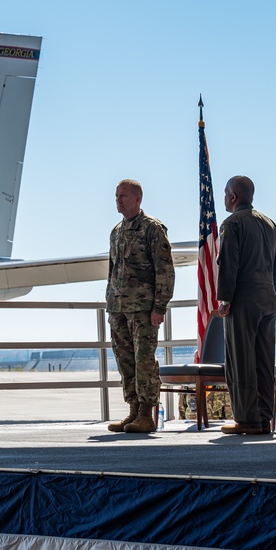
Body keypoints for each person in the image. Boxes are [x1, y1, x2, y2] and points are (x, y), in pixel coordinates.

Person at [105, 179, 176, 433]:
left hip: (144, 308)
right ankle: (133, 411)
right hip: (118, 308)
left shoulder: (152, 229)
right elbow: (113, 272)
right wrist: (110, 304)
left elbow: (165, 271)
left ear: (138, 199)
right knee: (125, 361)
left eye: (123, 195)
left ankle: (147, 414)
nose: (118, 200)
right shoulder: (116, 231)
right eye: (116, 195)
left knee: (144, 360)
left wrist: (160, 306)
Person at [216, 176, 276, 434]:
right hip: (267, 295)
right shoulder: (270, 223)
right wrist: (269, 289)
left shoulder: (232, 224)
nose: (224, 197)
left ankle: (246, 419)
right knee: (264, 361)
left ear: (233, 197)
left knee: (240, 359)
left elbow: (229, 265)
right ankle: (264, 418)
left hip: (243, 297)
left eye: (225, 193)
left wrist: (226, 298)